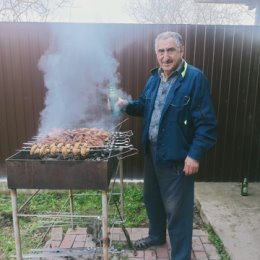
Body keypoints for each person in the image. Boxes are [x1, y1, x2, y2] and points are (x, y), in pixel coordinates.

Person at [117, 31, 217, 260]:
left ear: (181, 50)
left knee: (178, 212)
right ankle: (156, 236)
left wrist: (195, 155)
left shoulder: (194, 78)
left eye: (171, 50)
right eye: (161, 51)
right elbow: (144, 105)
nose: (165, 56)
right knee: (152, 200)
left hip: (178, 158)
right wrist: (125, 105)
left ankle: (180, 256)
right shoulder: (154, 78)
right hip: (153, 153)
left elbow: (207, 124)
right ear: (156, 54)